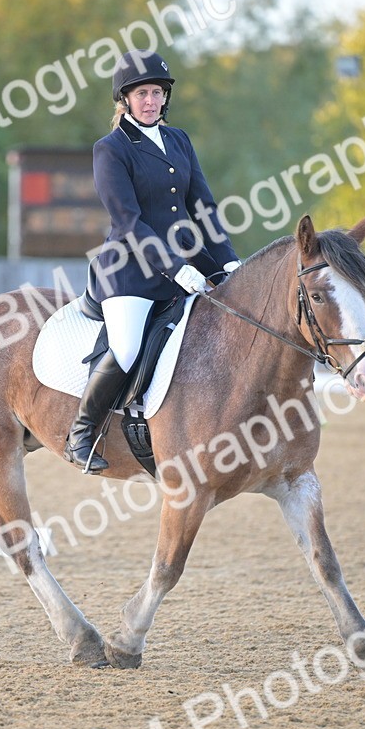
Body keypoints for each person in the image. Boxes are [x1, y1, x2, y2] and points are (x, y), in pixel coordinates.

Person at [64, 49, 242, 472]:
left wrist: (229, 266)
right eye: (142, 93)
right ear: (124, 100)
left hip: (185, 268)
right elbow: (128, 221)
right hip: (130, 273)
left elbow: (204, 209)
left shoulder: (179, 140)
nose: (150, 101)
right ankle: (82, 434)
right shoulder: (110, 149)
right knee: (126, 346)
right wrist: (178, 269)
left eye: (157, 93)